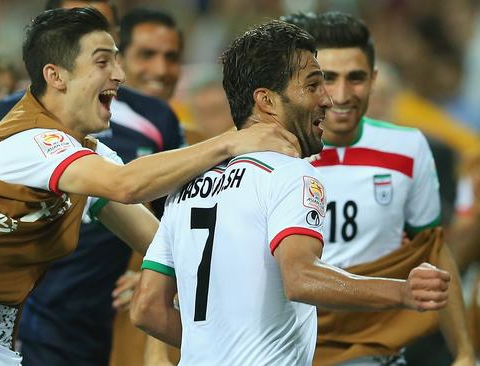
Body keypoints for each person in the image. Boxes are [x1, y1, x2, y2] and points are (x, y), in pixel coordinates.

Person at [0, 8, 298, 365]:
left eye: (116, 60)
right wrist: (231, 140)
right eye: (103, 62)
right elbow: (125, 185)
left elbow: (158, 239)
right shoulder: (28, 140)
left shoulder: (89, 156)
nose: (119, 74)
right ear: (56, 76)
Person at [130, 19, 451, 366]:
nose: (327, 99)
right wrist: (401, 291)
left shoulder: (187, 187)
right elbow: (301, 278)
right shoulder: (291, 174)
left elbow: (147, 308)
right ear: (267, 101)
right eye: (313, 85)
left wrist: (213, 349)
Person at [281, 12, 475, 365]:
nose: (341, 95)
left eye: (355, 78)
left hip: (373, 347)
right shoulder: (274, 154)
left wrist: (463, 352)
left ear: (373, 79)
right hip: (287, 344)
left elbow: (432, 251)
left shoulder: (408, 148)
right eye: (327, 79)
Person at [117, 7, 182, 101]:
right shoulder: (96, 115)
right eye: (146, 55)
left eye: (171, 57)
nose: (161, 70)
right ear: (117, 60)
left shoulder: (180, 114)